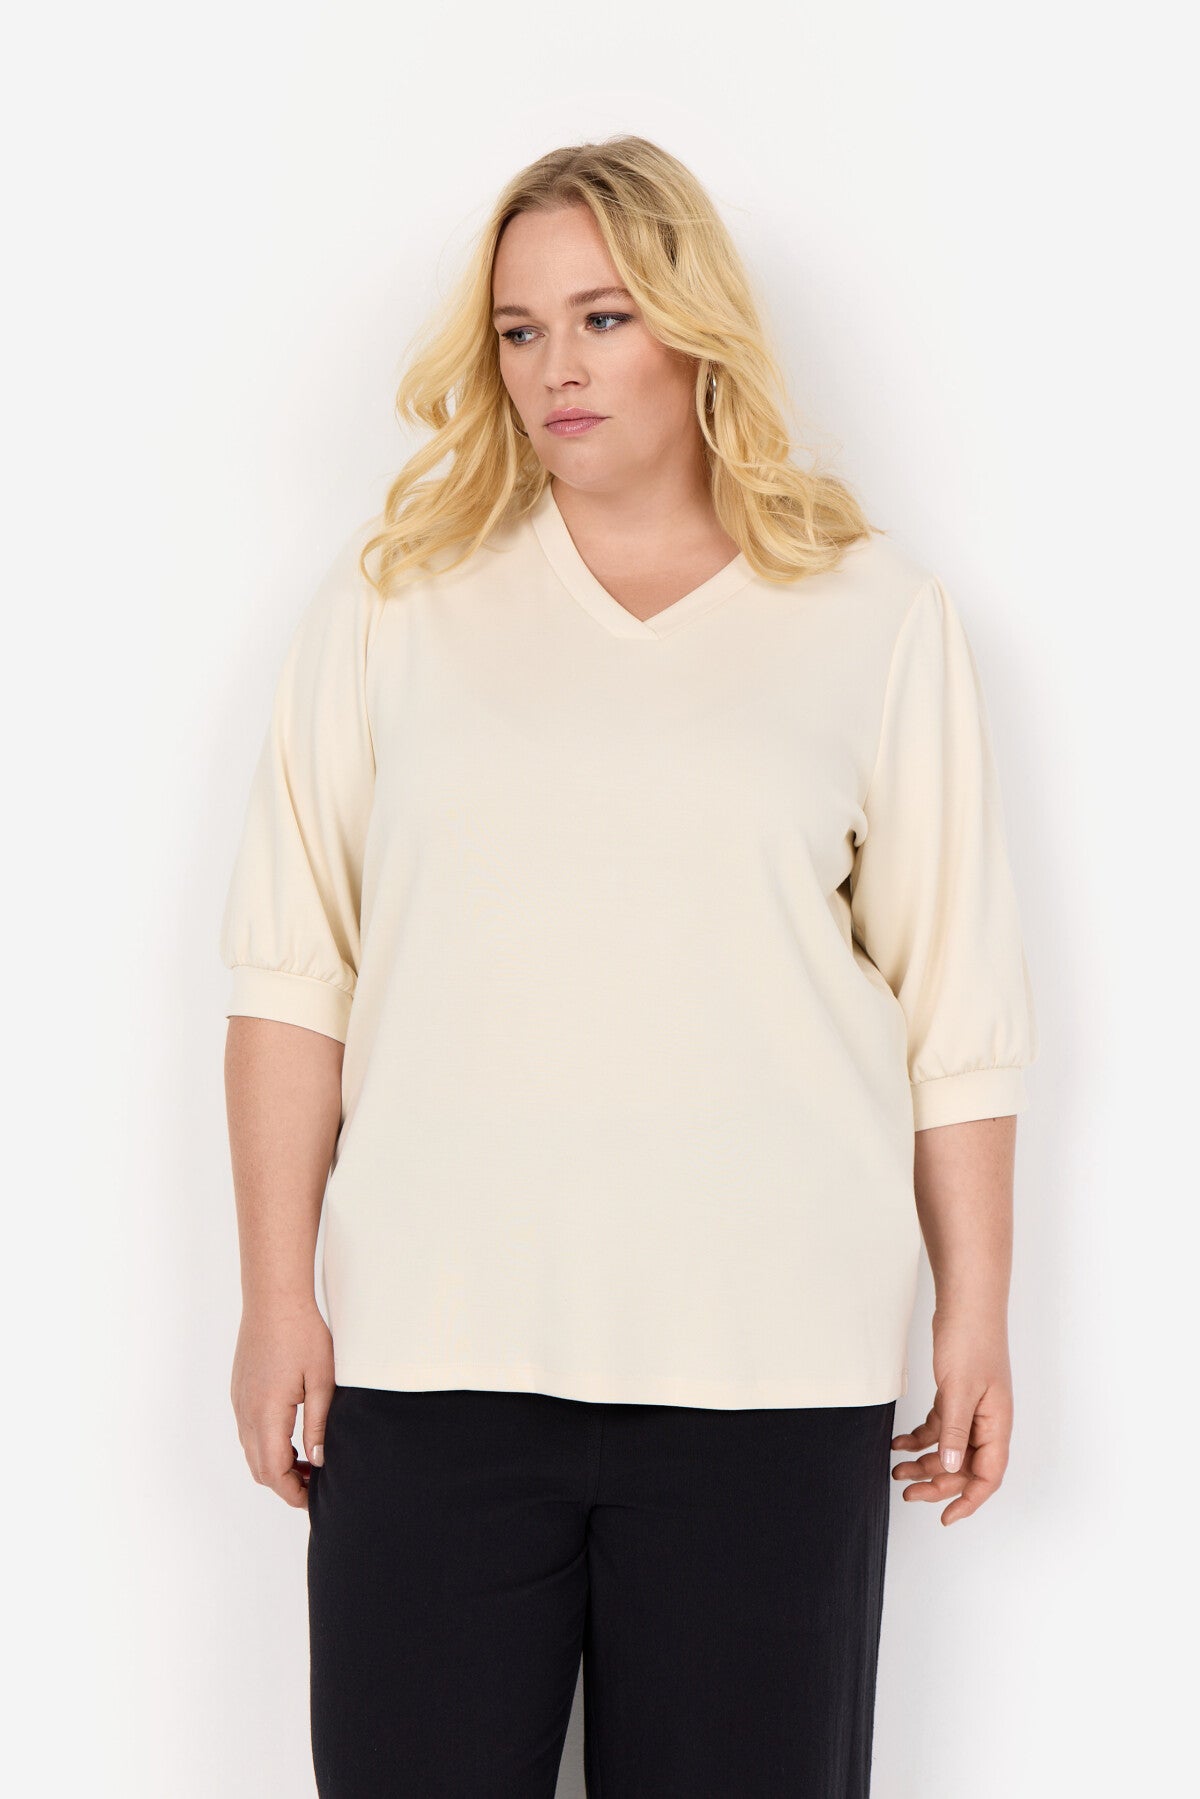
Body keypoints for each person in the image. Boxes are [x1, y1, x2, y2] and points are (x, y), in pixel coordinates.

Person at [219, 135, 1038, 1798]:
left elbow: (954, 1007)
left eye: (603, 318)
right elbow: (294, 970)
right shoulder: (396, 604)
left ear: (695, 327)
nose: (557, 368)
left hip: (770, 1369)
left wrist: (979, 1312)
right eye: (520, 331)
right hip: (433, 1361)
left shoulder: (874, 616)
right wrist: (276, 1295)